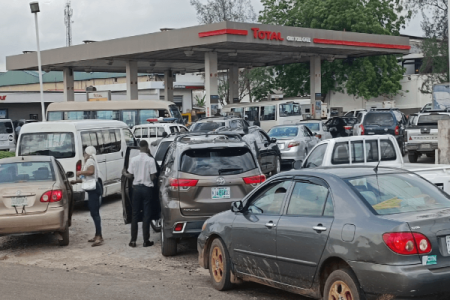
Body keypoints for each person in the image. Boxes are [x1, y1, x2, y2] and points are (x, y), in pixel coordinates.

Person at [124, 140, 157, 248]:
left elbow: (130, 176)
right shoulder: (151, 160)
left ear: (139, 147)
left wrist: (124, 172)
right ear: (147, 147)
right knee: (146, 215)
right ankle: (145, 240)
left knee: (135, 214)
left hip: (136, 189)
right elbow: (153, 177)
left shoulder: (133, 160)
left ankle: (133, 240)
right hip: (147, 189)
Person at [70, 146, 103, 247]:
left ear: (87, 153)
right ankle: (97, 234)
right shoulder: (90, 161)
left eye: (84, 153)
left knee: (95, 213)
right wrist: (76, 181)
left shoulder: (90, 161)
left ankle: (99, 236)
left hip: (93, 189)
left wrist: (80, 172)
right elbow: (88, 178)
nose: (84, 155)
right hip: (92, 188)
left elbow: (91, 172)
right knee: (93, 212)